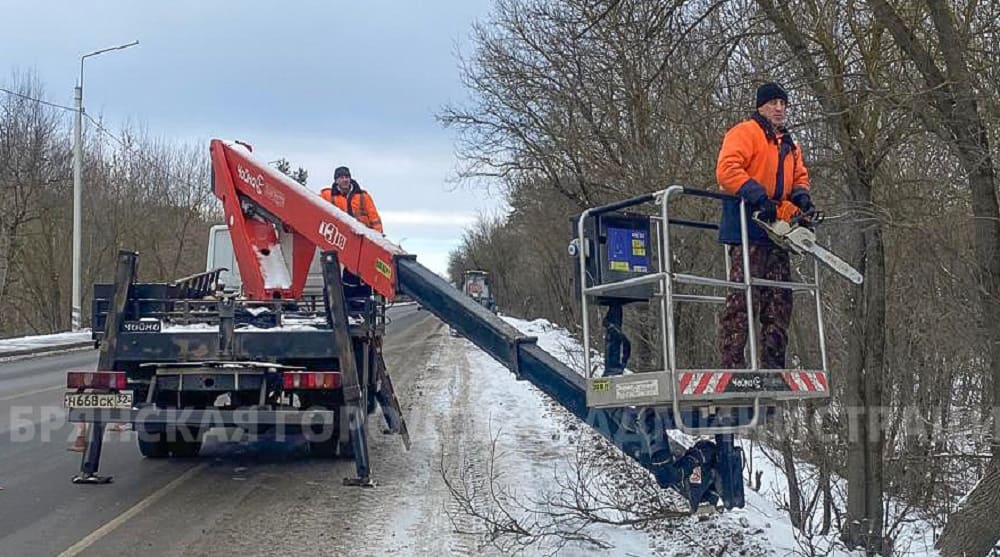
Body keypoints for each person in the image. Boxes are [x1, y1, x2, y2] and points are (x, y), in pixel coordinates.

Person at [715, 82, 816, 370]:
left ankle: (774, 366)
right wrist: (758, 196)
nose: (779, 108)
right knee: (742, 299)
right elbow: (727, 170)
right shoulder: (745, 133)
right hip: (746, 226)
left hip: (779, 231)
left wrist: (802, 199)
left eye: (783, 103)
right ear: (761, 106)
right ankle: (732, 364)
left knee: (779, 302)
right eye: (773, 103)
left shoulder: (790, 145)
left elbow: (799, 177)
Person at [320, 166, 383, 233]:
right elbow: (315, 204)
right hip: (339, 234)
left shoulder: (363, 196)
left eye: (347, 177)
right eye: (341, 178)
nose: (345, 180)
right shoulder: (327, 195)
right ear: (336, 181)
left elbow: (374, 218)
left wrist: (378, 235)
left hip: (361, 235)